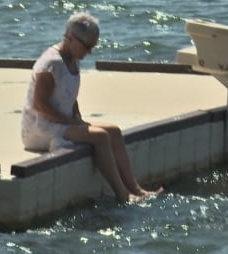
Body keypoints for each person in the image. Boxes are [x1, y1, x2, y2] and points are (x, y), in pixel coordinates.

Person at [21, 11, 163, 203]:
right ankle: (122, 194)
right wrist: (72, 122)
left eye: (93, 46)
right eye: (87, 46)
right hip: (39, 129)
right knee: (100, 137)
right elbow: (40, 105)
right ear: (70, 38)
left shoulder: (72, 59)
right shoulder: (51, 63)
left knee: (113, 131)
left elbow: (69, 95)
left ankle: (136, 189)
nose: (89, 52)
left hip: (62, 122)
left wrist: (77, 118)